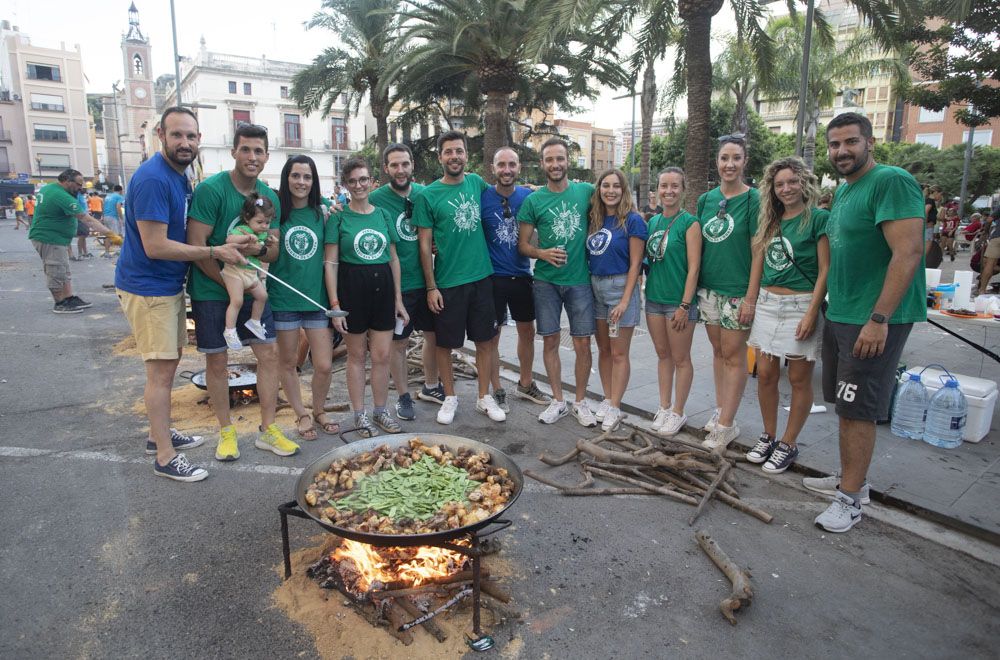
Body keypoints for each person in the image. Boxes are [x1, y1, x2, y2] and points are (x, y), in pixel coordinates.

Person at [805, 112, 925, 533]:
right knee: (845, 403)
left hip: (870, 319)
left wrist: (879, 319)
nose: (841, 151)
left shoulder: (890, 181)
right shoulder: (843, 191)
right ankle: (850, 480)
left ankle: (850, 500)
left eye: (850, 142)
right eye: (834, 144)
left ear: (870, 143)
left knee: (859, 409)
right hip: (842, 314)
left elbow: (908, 252)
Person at [114, 106, 246, 482]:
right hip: (149, 288)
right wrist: (213, 252)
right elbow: (155, 246)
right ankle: (165, 457)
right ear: (161, 135)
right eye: (177, 135)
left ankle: (160, 434)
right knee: (160, 374)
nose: (184, 142)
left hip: (163, 287)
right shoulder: (155, 179)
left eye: (190, 136)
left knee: (166, 366)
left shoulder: (177, 175)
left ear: (199, 139)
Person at [187, 122, 300, 462]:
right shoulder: (211, 190)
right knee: (218, 361)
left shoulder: (269, 198)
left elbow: (274, 252)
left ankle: (268, 430)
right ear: (233, 152)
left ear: (267, 156)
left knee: (269, 357)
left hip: (253, 288)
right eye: (246, 149)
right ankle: (226, 431)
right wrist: (232, 281)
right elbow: (196, 244)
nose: (252, 156)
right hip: (211, 289)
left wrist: (260, 257)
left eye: (259, 151)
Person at [413, 131, 505, 425]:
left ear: (467, 156)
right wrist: (431, 286)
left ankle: (483, 396)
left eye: (459, 151)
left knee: (486, 341)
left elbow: (504, 198)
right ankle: (450, 396)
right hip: (448, 282)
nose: (454, 156)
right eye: (448, 152)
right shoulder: (428, 195)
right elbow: (425, 244)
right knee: (444, 344)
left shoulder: (477, 183)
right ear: (440, 157)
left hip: (482, 278)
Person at [744, 157, 829, 474]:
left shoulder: (818, 218)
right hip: (767, 303)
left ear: (804, 182)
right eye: (780, 184)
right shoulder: (769, 220)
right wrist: (750, 301)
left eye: (792, 181)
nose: (786, 188)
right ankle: (768, 435)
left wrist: (811, 313)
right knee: (765, 375)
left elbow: (825, 270)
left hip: (800, 306)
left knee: (797, 378)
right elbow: (757, 264)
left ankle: (788, 443)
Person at [324, 156, 407, 437]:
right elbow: (331, 262)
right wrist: (334, 303)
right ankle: (360, 416)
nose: (358, 185)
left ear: (371, 181)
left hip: (382, 290)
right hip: (352, 291)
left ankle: (381, 411)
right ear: (345, 185)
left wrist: (398, 298)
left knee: (382, 355)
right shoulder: (338, 216)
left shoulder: (382, 214)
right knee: (357, 356)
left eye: (363, 180)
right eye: (352, 181)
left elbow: (393, 259)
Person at [517, 137, 597, 427]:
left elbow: (617, 203)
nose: (555, 164)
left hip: (580, 281)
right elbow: (523, 245)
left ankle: (580, 402)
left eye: (559, 159)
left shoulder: (587, 192)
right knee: (549, 340)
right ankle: (558, 400)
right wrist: (542, 253)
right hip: (546, 283)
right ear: (542, 164)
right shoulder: (533, 201)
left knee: (583, 344)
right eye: (549, 160)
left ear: (568, 161)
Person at [369, 143, 445, 421]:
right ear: (386, 168)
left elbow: (440, 228)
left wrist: (438, 242)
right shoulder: (376, 198)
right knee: (398, 343)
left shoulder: (426, 194)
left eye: (405, 164)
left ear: (413, 165)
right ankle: (402, 396)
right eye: (394, 165)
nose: (400, 170)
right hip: (395, 287)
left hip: (429, 282)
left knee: (434, 336)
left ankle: (431, 385)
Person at [696, 134, 761, 451]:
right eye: (724, 158)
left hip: (738, 292)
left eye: (736, 158)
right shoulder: (706, 200)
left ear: (744, 161)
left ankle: (726, 426)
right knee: (719, 353)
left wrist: (751, 297)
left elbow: (759, 251)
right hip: (709, 290)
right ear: (717, 162)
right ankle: (723, 412)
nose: (729, 164)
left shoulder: (756, 200)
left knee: (735, 357)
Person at [273, 155, 339, 440]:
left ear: (313, 182)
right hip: (283, 300)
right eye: (296, 175)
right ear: (287, 178)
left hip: (315, 301)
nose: (301, 182)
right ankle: (301, 413)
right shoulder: (276, 212)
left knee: (323, 364)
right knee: (288, 363)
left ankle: (319, 409)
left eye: (307, 177)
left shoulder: (322, 212)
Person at [480, 147, 550, 412]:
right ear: (493, 168)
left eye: (511, 165)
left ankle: (525, 382)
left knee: (527, 332)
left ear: (519, 167)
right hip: (492, 277)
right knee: (492, 337)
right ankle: (497, 389)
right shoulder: (482, 196)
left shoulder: (529, 196)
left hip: (522, 275)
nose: (506, 170)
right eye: (501, 165)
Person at [586, 169, 647, 432]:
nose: (610, 190)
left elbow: (636, 265)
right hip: (596, 288)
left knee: (619, 353)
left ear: (624, 191)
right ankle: (608, 397)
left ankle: (615, 406)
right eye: (605, 185)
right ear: (599, 189)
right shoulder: (595, 219)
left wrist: (624, 301)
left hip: (621, 287)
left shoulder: (633, 221)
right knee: (604, 350)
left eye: (616, 186)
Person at [644, 167, 701, 437]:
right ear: (657, 190)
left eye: (674, 186)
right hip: (653, 299)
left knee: (681, 358)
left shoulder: (690, 223)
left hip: (678, 303)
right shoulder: (652, 223)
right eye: (664, 186)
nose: (669, 191)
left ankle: (678, 411)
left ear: (683, 190)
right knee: (662, 355)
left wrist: (685, 305)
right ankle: (664, 406)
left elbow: (694, 268)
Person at [28, 169, 96, 313]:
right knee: (55, 270)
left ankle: (69, 297)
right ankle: (60, 303)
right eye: (78, 184)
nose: (80, 188)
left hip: (56, 237)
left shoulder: (50, 189)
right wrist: (109, 233)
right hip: (50, 238)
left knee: (63, 269)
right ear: (66, 181)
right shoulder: (60, 195)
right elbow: (85, 218)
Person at [221, 194, 273, 350]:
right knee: (237, 301)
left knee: (262, 296)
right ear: (247, 218)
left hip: (251, 272)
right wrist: (245, 239)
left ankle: (255, 321)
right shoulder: (243, 229)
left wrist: (268, 241)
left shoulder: (262, 233)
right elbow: (229, 241)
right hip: (234, 272)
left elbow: (264, 246)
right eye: (260, 222)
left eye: (267, 222)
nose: (264, 226)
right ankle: (229, 330)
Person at [978, 206, 1000, 294]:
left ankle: (982, 290)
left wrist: (986, 231)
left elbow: (989, 219)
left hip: (997, 237)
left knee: (989, 264)